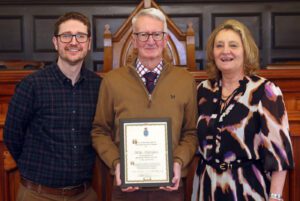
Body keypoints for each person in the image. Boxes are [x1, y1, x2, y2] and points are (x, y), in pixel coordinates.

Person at [91, 7, 198, 201]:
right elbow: (100, 131)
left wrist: (178, 162)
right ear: (134, 40)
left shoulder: (185, 80)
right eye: (143, 34)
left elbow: (191, 132)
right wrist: (117, 163)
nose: (150, 41)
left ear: (165, 39)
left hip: (170, 189)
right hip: (126, 190)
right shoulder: (112, 81)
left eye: (156, 34)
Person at [191, 19, 294, 201]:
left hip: (247, 188)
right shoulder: (203, 90)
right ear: (212, 52)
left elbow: (280, 153)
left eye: (233, 45)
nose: (225, 51)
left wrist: (276, 197)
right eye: (219, 45)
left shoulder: (265, 91)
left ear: (246, 51)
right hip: (206, 188)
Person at [4, 12, 101, 201]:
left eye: (80, 36)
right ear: (55, 42)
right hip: (38, 194)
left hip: (84, 194)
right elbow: (12, 134)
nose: (74, 42)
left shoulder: (98, 86)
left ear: (88, 44)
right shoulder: (32, 85)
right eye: (66, 36)